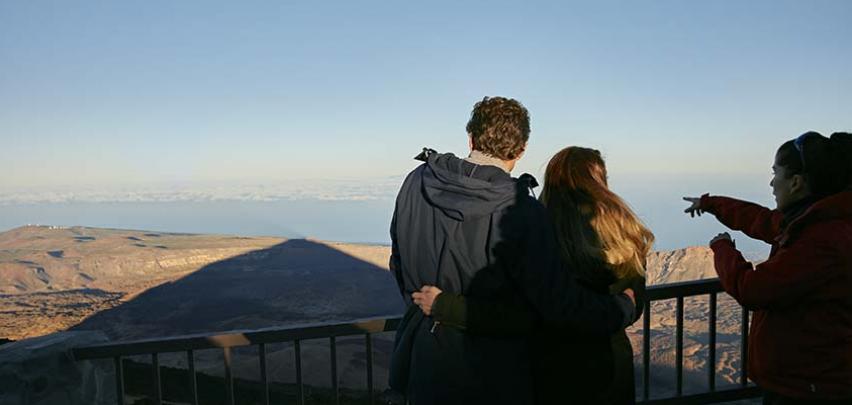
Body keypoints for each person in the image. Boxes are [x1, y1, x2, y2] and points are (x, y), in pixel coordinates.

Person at [387, 97, 637, 405]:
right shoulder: (522, 212)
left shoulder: (415, 182)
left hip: (422, 365)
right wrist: (621, 309)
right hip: (494, 376)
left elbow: (398, 262)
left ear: (471, 138)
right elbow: (550, 307)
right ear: (521, 150)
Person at [683, 131, 852, 404]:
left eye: (776, 173)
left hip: (807, 387)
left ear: (796, 182)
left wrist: (723, 249)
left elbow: (752, 289)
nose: (773, 184)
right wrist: (711, 203)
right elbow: (761, 219)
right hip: (804, 380)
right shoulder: (813, 220)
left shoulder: (823, 238)